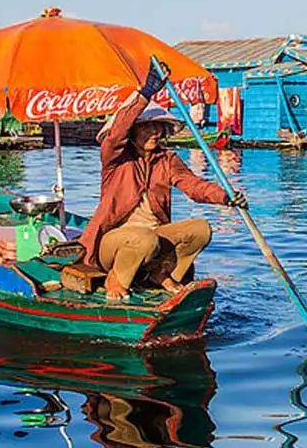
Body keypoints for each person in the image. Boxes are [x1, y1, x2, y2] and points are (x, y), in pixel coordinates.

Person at [77, 73, 244, 302]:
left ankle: (160, 273)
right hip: (113, 242)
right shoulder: (115, 159)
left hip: (153, 239)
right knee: (143, 239)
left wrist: (225, 196)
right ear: (133, 131)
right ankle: (116, 278)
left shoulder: (167, 160)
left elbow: (194, 186)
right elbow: (115, 136)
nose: (155, 133)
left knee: (200, 229)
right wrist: (145, 94)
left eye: (159, 127)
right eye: (147, 127)